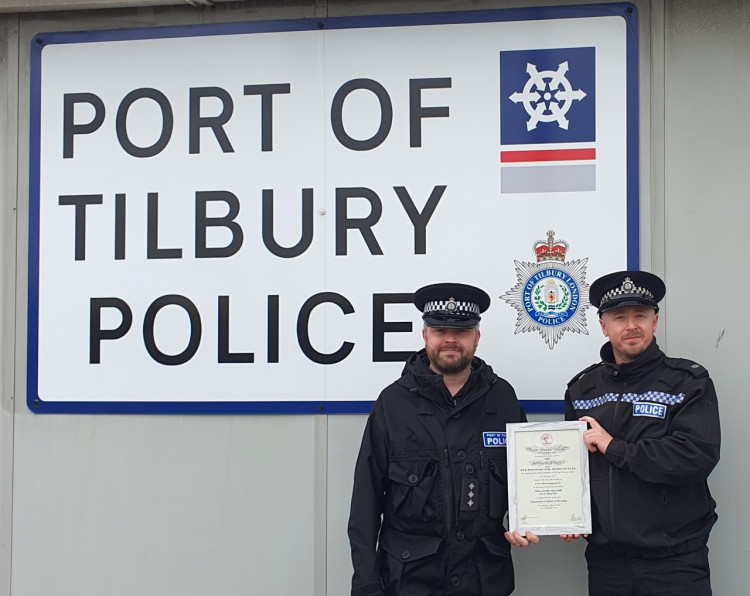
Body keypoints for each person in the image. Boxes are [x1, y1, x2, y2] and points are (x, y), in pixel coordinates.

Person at [347, 282, 534, 596]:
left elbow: (527, 480)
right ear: (425, 336)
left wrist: (530, 521)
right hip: (411, 581)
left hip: (483, 579)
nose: (450, 340)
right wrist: (366, 584)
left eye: (461, 332)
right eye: (440, 330)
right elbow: (365, 505)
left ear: (476, 337)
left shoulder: (502, 399)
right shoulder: (393, 404)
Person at [563, 270, 720, 595]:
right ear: (604, 326)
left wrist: (614, 447)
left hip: (675, 562)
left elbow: (695, 456)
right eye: (620, 317)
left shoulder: (687, 382)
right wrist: (569, 513)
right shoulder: (582, 389)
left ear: (655, 321)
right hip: (608, 563)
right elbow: (572, 466)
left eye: (640, 315)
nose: (631, 325)